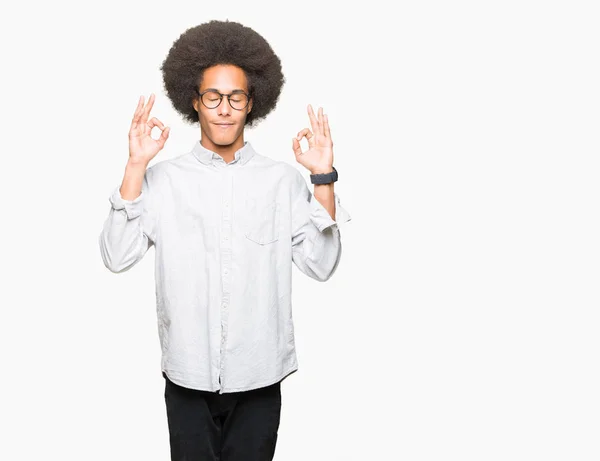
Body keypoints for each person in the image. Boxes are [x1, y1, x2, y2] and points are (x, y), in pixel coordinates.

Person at [99, 19, 351, 461]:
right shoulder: (164, 180)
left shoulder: (281, 181)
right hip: (187, 376)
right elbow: (117, 257)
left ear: (252, 103)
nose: (224, 109)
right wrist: (135, 166)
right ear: (193, 101)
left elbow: (322, 264)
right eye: (212, 97)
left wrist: (322, 179)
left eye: (235, 97)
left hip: (259, 374)